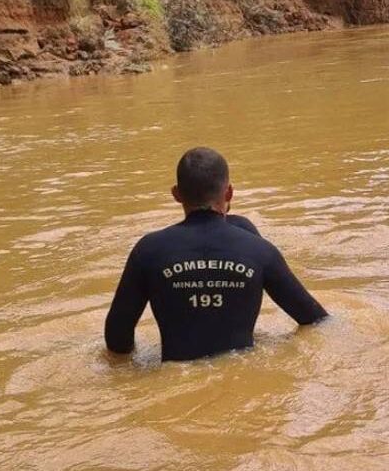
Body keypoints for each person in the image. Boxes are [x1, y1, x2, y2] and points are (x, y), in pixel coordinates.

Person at [104, 147, 328, 361]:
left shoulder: (148, 250)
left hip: (178, 382)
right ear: (229, 192)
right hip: (243, 383)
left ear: (176, 194)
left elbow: (117, 338)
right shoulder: (259, 250)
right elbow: (315, 320)